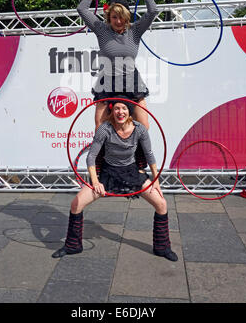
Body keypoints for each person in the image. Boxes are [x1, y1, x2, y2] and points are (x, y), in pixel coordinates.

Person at [52, 98, 178, 262]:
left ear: (129, 111)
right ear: (112, 111)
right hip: (108, 173)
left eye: (124, 108)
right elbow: (91, 157)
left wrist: (156, 181)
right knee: (76, 203)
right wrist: (95, 182)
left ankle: (163, 248)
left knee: (161, 204)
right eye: (117, 109)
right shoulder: (105, 129)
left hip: (132, 172)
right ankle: (73, 245)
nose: (120, 112)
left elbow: (150, 155)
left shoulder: (139, 130)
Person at [76, 0, 159, 130]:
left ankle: (137, 152)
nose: (118, 21)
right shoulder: (102, 29)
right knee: (100, 127)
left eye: (121, 17)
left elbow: (153, 11)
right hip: (107, 80)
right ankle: (102, 153)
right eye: (114, 17)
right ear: (109, 16)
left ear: (127, 17)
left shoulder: (135, 30)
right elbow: (81, 9)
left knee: (144, 127)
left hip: (131, 81)